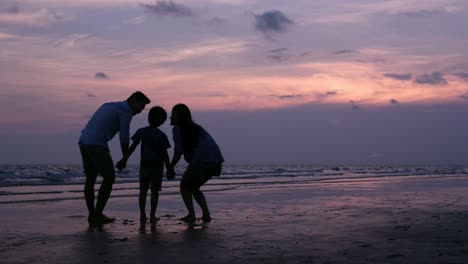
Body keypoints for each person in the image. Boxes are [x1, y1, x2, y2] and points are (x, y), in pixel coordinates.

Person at [79, 91, 150, 226]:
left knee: (90, 178)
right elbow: (124, 136)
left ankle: (92, 214)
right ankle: (98, 214)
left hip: (83, 141)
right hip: (96, 143)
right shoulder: (126, 111)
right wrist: (125, 158)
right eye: (141, 107)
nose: (140, 111)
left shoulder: (109, 105)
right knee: (109, 177)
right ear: (133, 100)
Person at [115, 106, 174, 223]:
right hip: (157, 167)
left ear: (148, 118)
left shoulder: (142, 131)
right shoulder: (161, 135)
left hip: (144, 166)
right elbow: (165, 154)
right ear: (162, 122)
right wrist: (169, 168)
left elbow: (132, 147)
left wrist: (124, 159)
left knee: (142, 191)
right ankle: (152, 215)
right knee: (154, 191)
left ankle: (142, 214)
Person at [167, 103, 224, 223]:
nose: (170, 117)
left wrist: (170, 167)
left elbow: (178, 152)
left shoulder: (177, 129)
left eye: (173, 115)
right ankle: (206, 214)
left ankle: (192, 215)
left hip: (201, 160)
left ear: (180, 117)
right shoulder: (196, 128)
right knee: (193, 187)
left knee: (184, 186)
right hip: (216, 160)